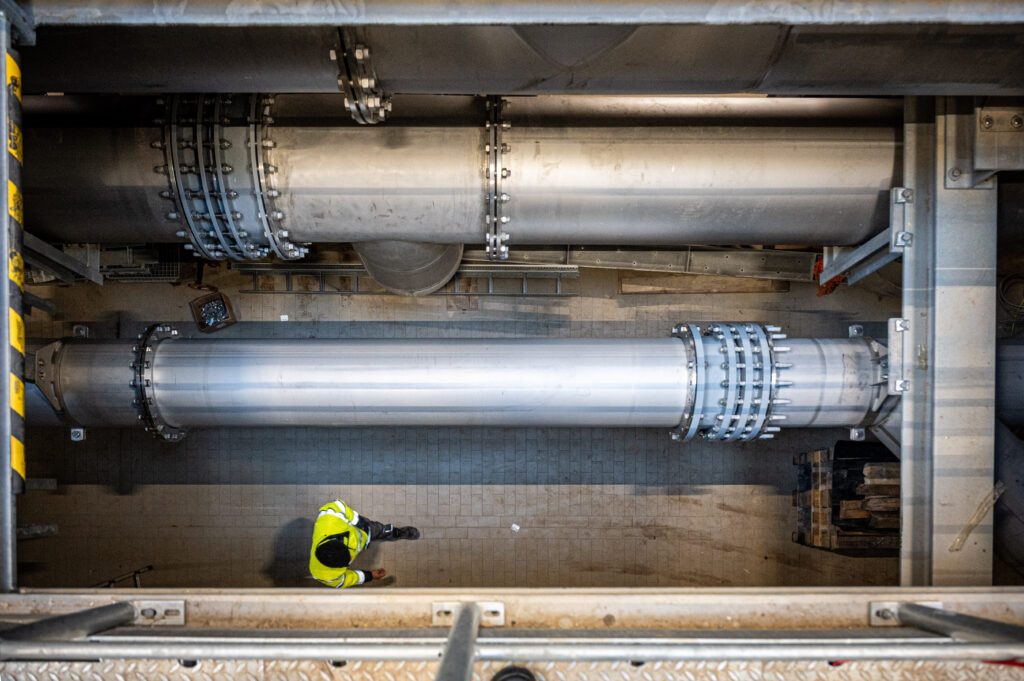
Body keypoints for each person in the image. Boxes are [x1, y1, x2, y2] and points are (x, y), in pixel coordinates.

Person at [309, 499, 420, 588]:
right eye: (348, 564)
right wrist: (369, 576)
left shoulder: (328, 521)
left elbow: (336, 506)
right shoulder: (324, 575)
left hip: (361, 528)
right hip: (360, 538)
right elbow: (345, 580)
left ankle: (396, 533)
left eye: (349, 558)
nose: (350, 563)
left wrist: (359, 522)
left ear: (338, 543)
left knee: (378, 529)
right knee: (376, 532)